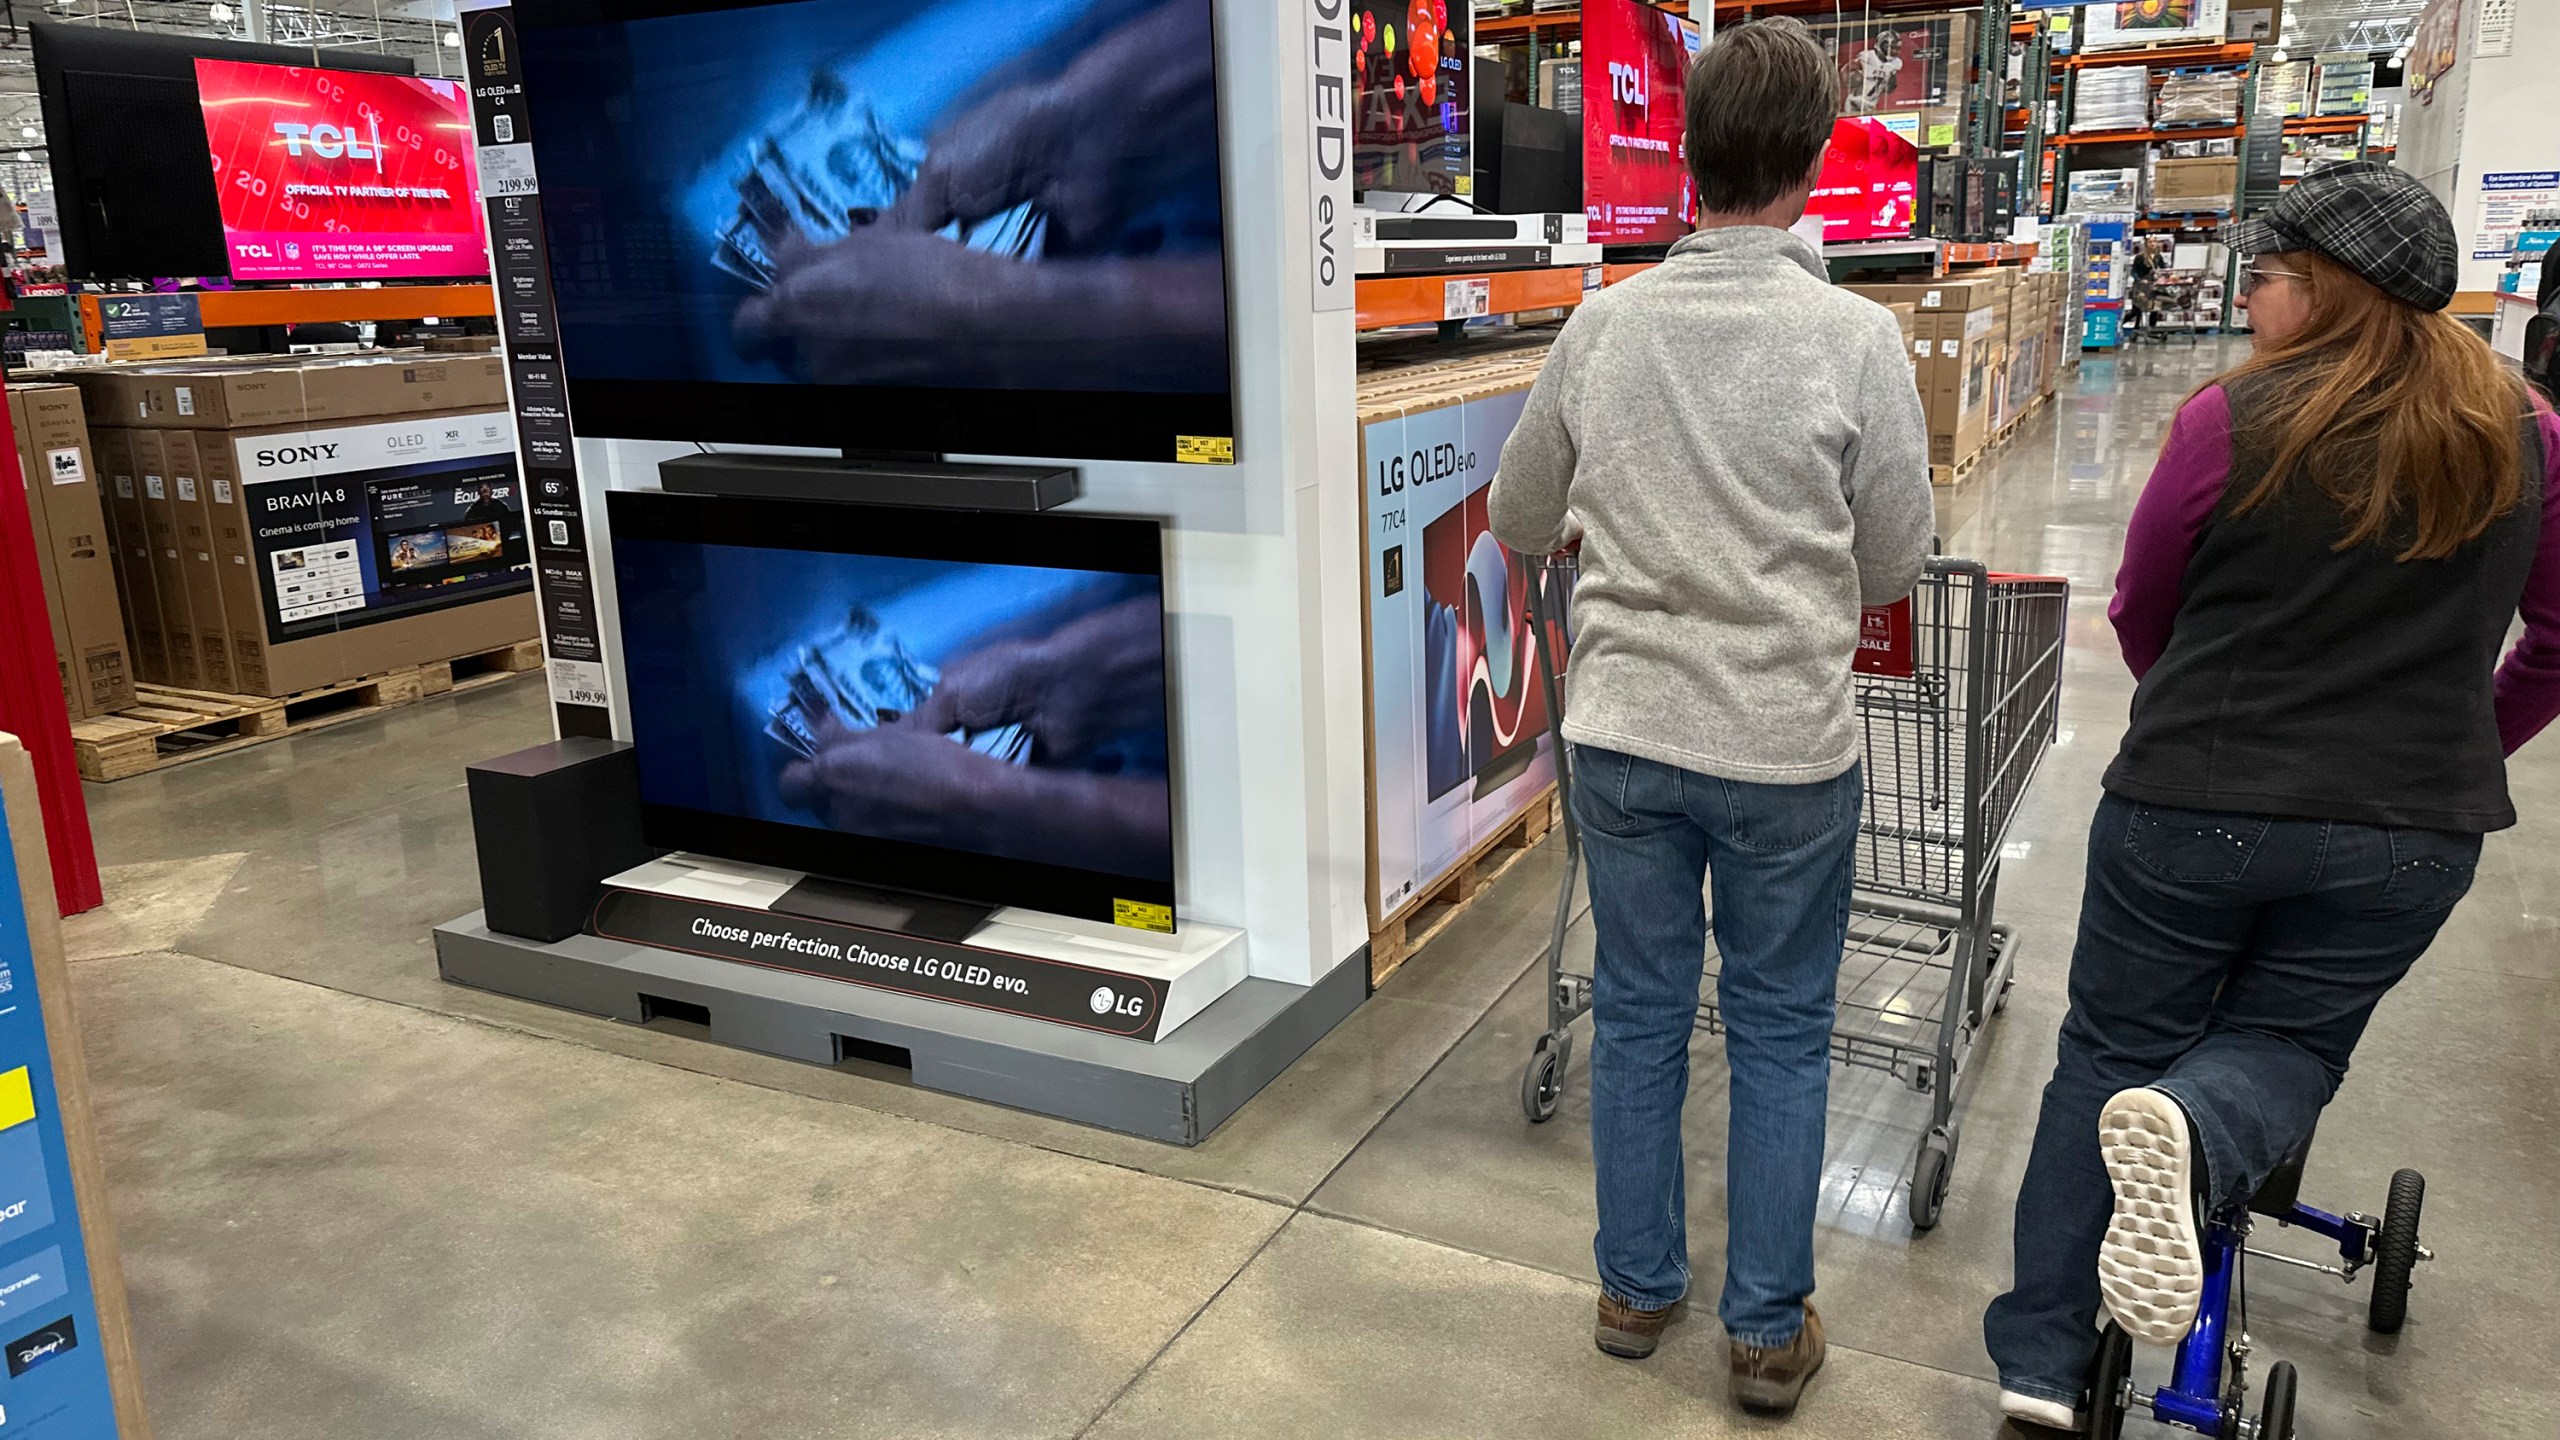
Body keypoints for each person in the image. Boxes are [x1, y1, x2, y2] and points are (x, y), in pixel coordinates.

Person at [1983, 160, 2560, 1433]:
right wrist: (2463, 748)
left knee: (2108, 1056)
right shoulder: (2526, 432)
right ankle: (2200, 1132)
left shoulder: (2229, 422)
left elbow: (2143, 607)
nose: (2247, 299)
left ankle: (2038, 1361)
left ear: (2327, 289)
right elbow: (2558, 635)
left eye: (2266, 277)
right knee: (2294, 1043)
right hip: (2408, 831)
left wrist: (2197, 716)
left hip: (2194, 802)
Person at [1487, 17, 1933, 1418]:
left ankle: (1633, 1288)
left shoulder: (1605, 324)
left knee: (1636, 1011)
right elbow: (1891, 563)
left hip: (1624, 733)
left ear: (1684, 157)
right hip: (1786, 750)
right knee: (1784, 1027)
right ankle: (1762, 1330)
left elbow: (1514, 514)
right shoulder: (1857, 341)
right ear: (1811, 163)